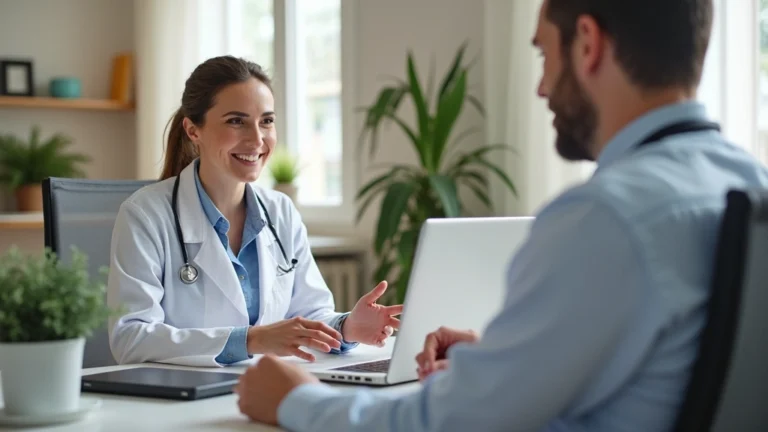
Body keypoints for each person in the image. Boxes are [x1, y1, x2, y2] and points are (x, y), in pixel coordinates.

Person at [232, 0, 768, 430]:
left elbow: (443, 422)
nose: (540, 87)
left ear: (587, 43)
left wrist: (296, 401)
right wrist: (507, 360)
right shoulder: (749, 183)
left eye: (543, 55)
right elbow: (670, 364)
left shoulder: (604, 216)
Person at [107, 56, 402, 367]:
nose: (257, 139)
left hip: (265, 387)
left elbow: (312, 314)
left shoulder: (280, 211)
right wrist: (252, 340)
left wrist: (347, 327)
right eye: (237, 121)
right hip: (183, 398)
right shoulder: (146, 214)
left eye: (267, 121)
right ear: (193, 130)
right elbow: (131, 337)